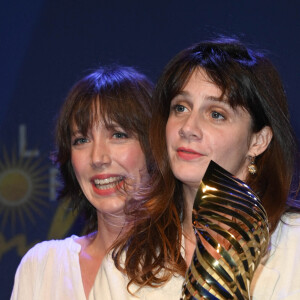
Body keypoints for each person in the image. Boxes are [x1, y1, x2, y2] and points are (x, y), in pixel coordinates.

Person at [10, 65, 184, 300]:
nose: (97, 158)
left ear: (154, 146)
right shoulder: (42, 265)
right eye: (81, 140)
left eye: (118, 135)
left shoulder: (186, 263)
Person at [148, 37, 300, 299]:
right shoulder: (130, 257)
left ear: (258, 140)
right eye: (181, 108)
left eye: (216, 114)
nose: (188, 128)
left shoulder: (295, 247)